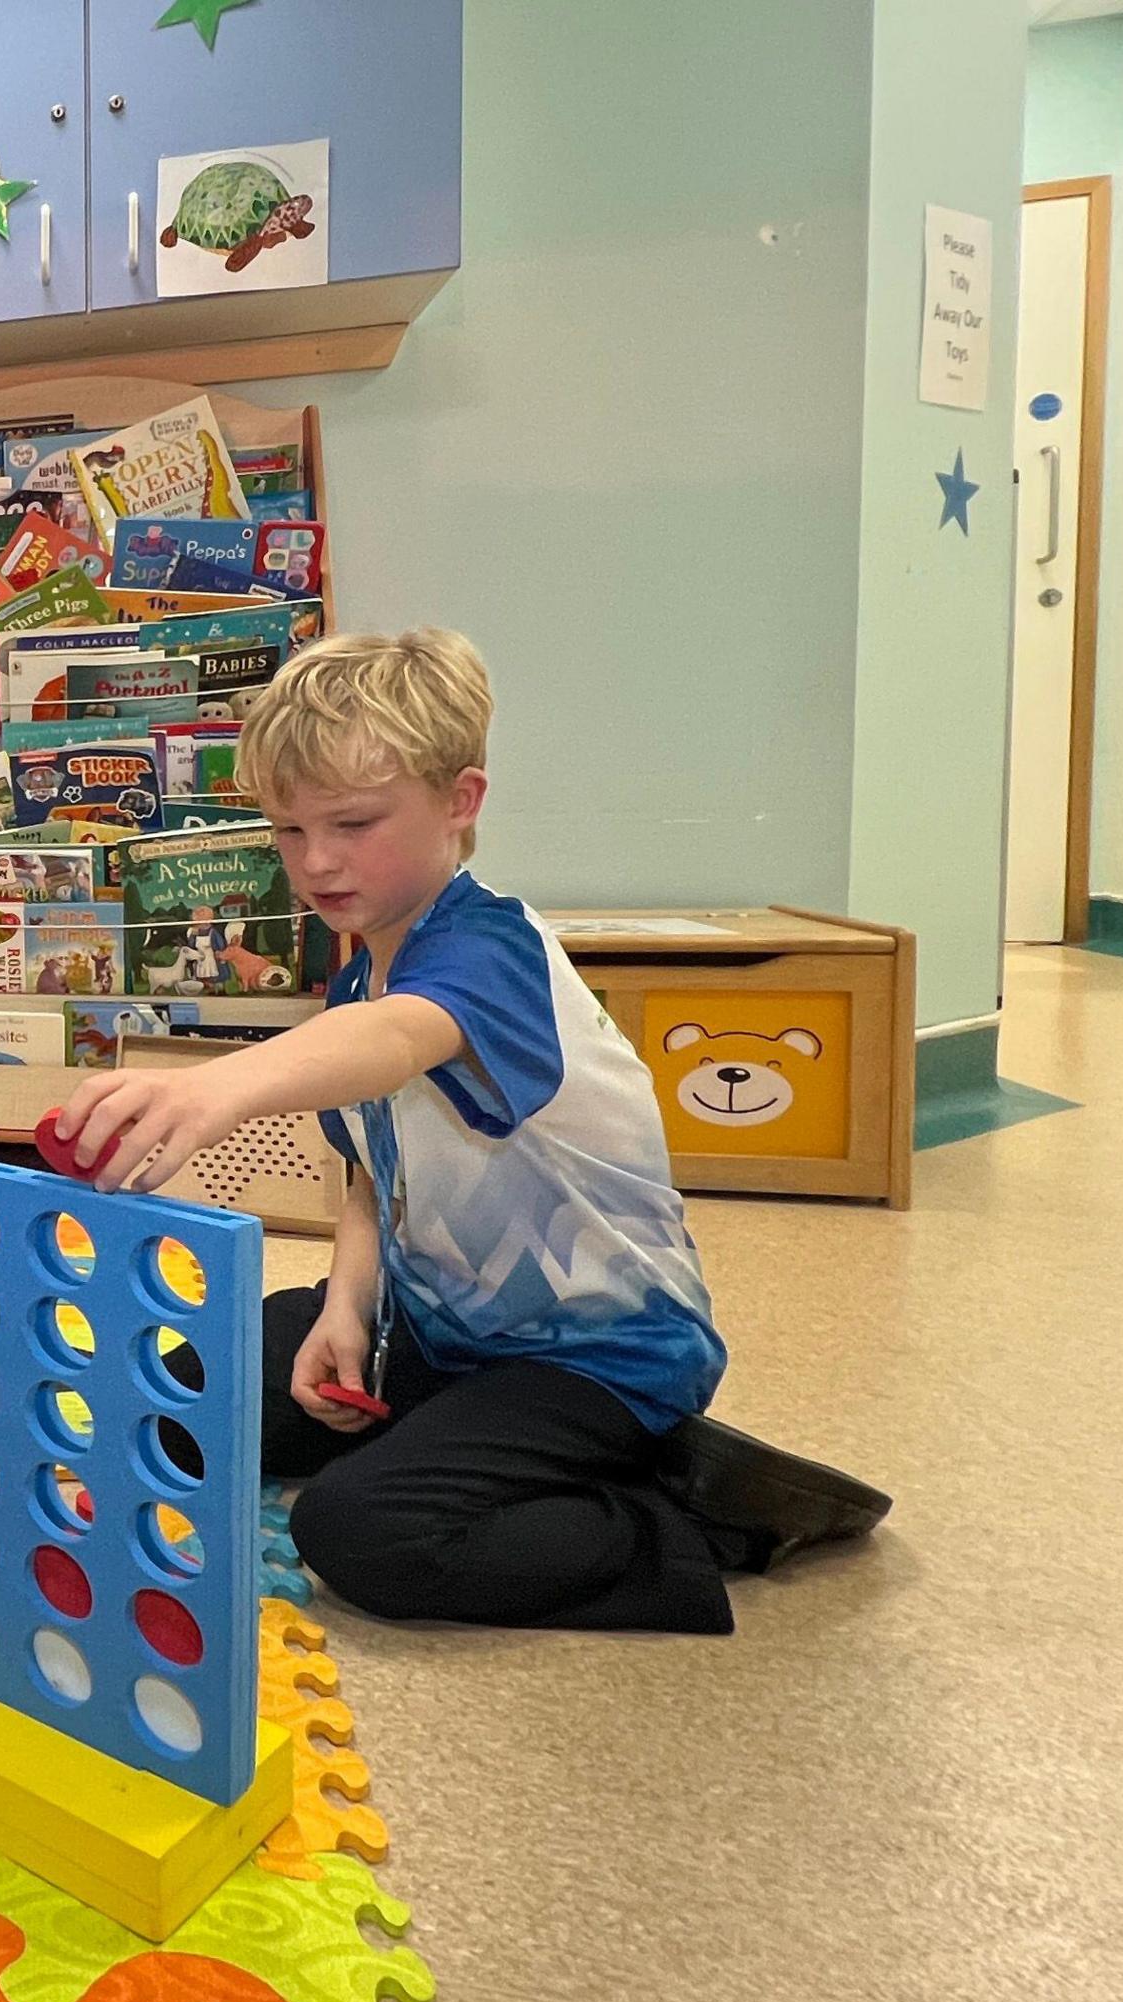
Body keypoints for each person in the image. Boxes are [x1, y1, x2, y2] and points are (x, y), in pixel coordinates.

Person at [61, 631, 889, 1634]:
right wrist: (349, 1308)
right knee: (174, 1396)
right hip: (436, 1324)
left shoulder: (489, 946)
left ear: (460, 802)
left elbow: (402, 1038)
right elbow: (375, 1174)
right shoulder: (365, 962)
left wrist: (221, 1091)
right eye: (287, 831)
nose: (316, 862)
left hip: (596, 1360)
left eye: (354, 823)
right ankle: (438, 1432)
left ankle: (677, 1524)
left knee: (361, 1534)